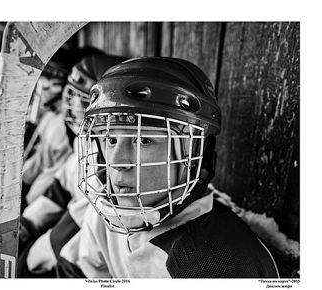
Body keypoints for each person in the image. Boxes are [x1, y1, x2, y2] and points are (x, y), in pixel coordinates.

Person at [57, 57, 279, 278]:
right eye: (110, 140)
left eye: (143, 140)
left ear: (193, 154)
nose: (117, 162)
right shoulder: (104, 214)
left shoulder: (222, 264)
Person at [18, 54, 128, 277]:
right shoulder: (83, 141)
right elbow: (60, 189)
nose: (75, 107)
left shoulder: (110, 156)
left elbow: (85, 219)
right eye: (73, 96)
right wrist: (28, 223)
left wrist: (44, 249)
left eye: (85, 100)